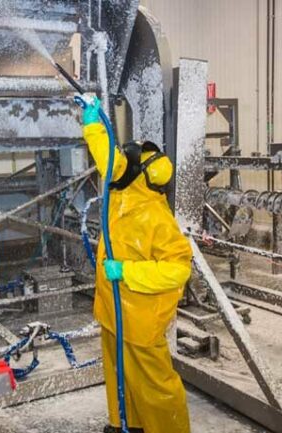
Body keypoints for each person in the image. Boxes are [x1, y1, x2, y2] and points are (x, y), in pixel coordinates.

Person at [81, 97, 193, 433]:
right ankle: (126, 424)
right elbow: (109, 160)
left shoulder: (155, 216)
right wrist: (91, 123)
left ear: (141, 173)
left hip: (141, 320)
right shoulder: (123, 196)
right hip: (114, 313)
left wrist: (127, 272)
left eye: (130, 162)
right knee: (120, 375)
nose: (122, 164)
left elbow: (178, 268)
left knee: (156, 387)